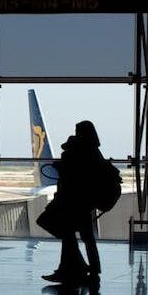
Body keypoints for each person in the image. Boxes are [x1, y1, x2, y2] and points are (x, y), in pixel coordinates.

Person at [42, 120, 105, 285]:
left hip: (74, 202)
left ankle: (75, 268)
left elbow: (74, 175)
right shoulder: (94, 152)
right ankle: (84, 269)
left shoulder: (80, 150)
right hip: (84, 202)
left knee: (69, 235)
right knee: (84, 237)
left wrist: (62, 167)